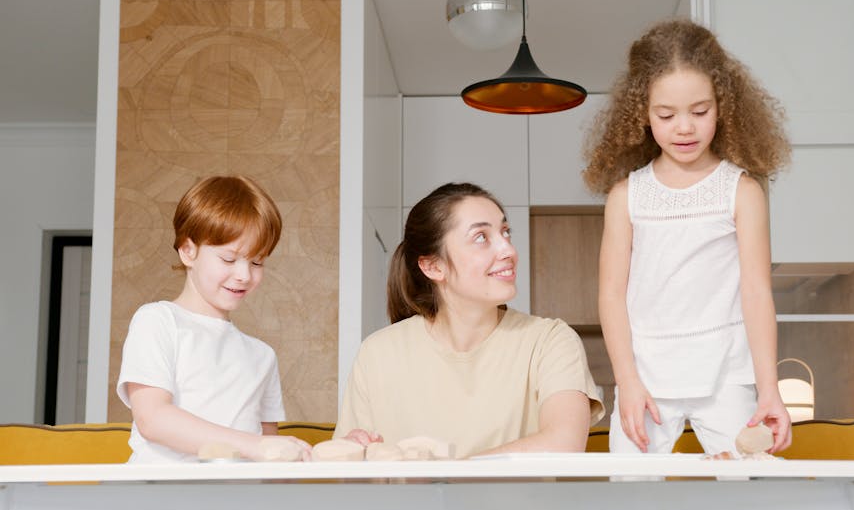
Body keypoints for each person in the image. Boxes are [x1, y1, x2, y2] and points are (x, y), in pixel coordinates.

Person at [582, 18, 792, 457]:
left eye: (700, 112)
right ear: (642, 113)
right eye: (666, 114)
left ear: (723, 106)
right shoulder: (626, 197)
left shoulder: (742, 191)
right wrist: (627, 380)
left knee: (752, 491)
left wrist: (768, 390)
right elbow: (611, 295)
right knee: (630, 496)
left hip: (727, 374)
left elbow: (756, 293)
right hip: (646, 379)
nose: (684, 128)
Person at [336, 182, 605, 459]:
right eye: (481, 237)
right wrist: (353, 453)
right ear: (433, 266)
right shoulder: (378, 353)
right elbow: (348, 475)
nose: (508, 250)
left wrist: (449, 477)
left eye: (505, 232)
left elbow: (563, 443)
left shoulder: (550, 340)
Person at [116, 176, 311, 463]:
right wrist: (253, 445)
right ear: (188, 251)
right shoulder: (158, 321)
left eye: (257, 262)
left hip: (233, 504)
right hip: (158, 501)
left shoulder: (262, 356)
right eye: (229, 259)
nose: (245, 275)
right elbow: (153, 419)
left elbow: (270, 453)